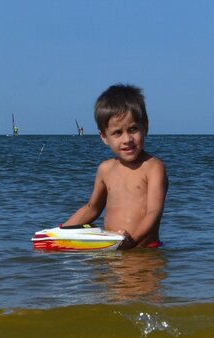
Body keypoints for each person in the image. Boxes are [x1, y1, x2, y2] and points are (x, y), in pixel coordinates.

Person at [61, 84, 167, 249]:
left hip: (145, 251)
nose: (127, 139)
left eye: (133, 129)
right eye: (117, 133)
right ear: (104, 137)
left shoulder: (153, 168)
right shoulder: (106, 169)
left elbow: (153, 212)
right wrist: (62, 231)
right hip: (113, 249)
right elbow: (92, 208)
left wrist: (132, 239)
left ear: (145, 127)